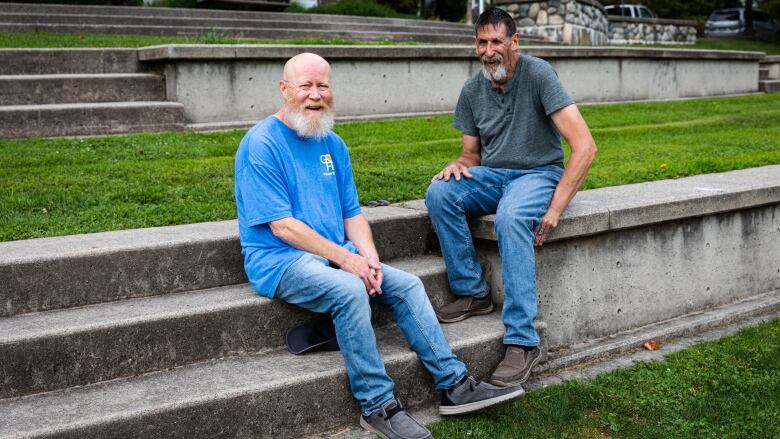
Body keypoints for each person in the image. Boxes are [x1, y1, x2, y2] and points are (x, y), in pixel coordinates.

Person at [234, 52, 525, 439]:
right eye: (306, 86)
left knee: (405, 284)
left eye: (323, 86)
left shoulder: (331, 143)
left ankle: (455, 385)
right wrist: (347, 262)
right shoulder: (261, 144)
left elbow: (351, 214)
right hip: (280, 259)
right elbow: (283, 227)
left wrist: (368, 258)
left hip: (333, 255)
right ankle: (378, 405)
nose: (315, 95)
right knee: (351, 288)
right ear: (285, 90)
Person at [425, 8, 597, 388]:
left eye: (497, 42)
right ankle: (473, 292)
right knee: (439, 192)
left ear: (514, 42)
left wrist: (555, 208)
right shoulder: (472, 90)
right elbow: (471, 156)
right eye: (482, 42)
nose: (488, 51)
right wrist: (458, 165)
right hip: (494, 175)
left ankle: (522, 340)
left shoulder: (538, 74)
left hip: (539, 174)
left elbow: (584, 147)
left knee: (510, 217)